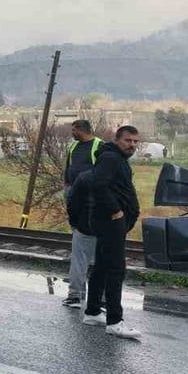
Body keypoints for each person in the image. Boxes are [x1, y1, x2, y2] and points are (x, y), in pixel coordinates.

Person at [82, 125, 142, 340]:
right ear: (118, 140)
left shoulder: (117, 158)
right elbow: (98, 185)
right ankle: (115, 322)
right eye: (128, 141)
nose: (132, 145)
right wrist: (116, 211)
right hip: (110, 220)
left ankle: (93, 311)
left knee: (102, 266)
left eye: (135, 142)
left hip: (110, 220)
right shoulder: (111, 158)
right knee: (116, 269)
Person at [62, 119, 102, 308]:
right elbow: (68, 168)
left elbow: (102, 172)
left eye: (74, 130)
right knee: (80, 244)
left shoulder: (98, 146)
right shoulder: (74, 146)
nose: (72, 133)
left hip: (90, 199)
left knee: (82, 250)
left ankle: (77, 294)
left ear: (82, 130)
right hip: (74, 194)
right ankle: (80, 293)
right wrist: (67, 186)